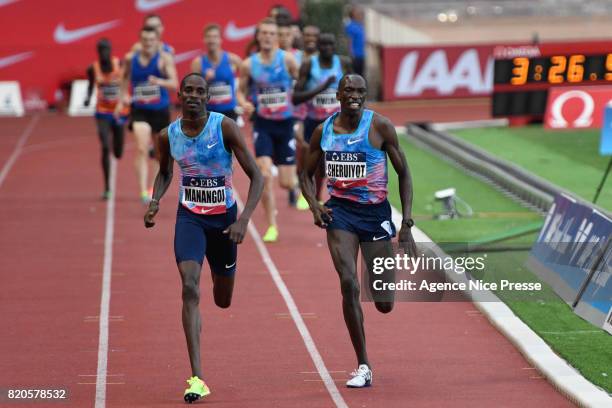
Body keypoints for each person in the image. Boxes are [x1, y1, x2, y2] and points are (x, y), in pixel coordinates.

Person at [143, 73, 263, 403]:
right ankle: (197, 377)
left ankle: (220, 274)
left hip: (224, 222)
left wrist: (244, 220)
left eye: (200, 91)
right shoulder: (167, 135)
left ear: (208, 97)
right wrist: (155, 201)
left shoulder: (224, 127)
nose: (194, 96)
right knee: (189, 286)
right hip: (190, 219)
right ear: (179, 94)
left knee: (223, 299)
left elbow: (257, 175)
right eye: (189, 90)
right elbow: (166, 171)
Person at [299, 74, 417, 388]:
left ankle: (381, 291)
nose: (354, 95)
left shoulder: (380, 127)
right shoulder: (322, 131)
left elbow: (404, 174)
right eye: (348, 90)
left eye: (360, 91)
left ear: (365, 95)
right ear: (337, 94)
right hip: (340, 214)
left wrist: (405, 223)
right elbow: (306, 174)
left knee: (384, 303)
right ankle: (363, 364)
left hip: (376, 215)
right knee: (349, 283)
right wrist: (314, 205)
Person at [237, 18, 300, 242]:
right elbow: (240, 91)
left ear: (277, 36)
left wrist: (298, 105)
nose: (267, 37)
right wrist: (244, 102)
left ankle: (298, 184)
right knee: (263, 175)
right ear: (258, 36)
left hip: (285, 125)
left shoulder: (288, 60)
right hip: (263, 125)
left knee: (286, 182)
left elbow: (301, 83)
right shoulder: (248, 64)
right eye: (263, 33)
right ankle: (272, 225)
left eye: (271, 33)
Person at [117, 25, 178, 203]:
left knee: (159, 153)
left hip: (160, 110)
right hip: (140, 110)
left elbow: (174, 83)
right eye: (145, 40)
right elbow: (124, 78)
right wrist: (123, 96)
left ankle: (153, 188)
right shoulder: (131, 59)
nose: (148, 44)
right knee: (142, 148)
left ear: (157, 41)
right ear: (140, 41)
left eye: (151, 40)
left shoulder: (164, 58)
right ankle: (143, 190)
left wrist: (159, 80)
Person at [293, 33, 352, 202]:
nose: (327, 48)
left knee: (331, 162)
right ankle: (312, 192)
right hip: (313, 121)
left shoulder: (342, 63)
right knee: (314, 162)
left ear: (335, 47)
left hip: (337, 122)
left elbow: (356, 89)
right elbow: (296, 97)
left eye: (330, 44)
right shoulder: (308, 65)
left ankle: (326, 194)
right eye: (323, 44)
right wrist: (322, 87)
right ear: (318, 47)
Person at [85, 38, 129, 200]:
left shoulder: (120, 64)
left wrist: (126, 97)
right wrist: (87, 98)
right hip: (102, 112)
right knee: (104, 146)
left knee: (117, 152)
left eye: (106, 49)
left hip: (119, 111)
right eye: (101, 50)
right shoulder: (93, 68)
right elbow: (90, 85)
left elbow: (126, 82)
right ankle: (107, 187)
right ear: (97, 52)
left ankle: (116, 148)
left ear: (111, 50)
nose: (104, 52)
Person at [278, 18, 309, 210]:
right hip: (280, 113)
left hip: (300, 110)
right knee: (289, 150)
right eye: (281, 35)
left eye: (288, 35)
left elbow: (306, 82)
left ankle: (299, 185)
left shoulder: (301, 57)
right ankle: (293, 186)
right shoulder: (270, 57)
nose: (285, 38)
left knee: (302, 146)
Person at [191, 23, 242, 120]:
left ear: (220, 39)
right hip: (207, 112)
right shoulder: (198, 63)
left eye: (215, 37)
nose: (211, 40)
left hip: (229, 112)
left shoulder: (233, 59)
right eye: (208, 37)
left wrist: (239, 96)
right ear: (204, 40)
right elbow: (193, 91)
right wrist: (204, 80)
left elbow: (246, 80)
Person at [345, 5, 365, 76]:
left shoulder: (360, 25)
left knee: (361, 74)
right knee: (356, 75)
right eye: (357, 13)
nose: (360, 14)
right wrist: (351, 54)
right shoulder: (350, 26)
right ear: (353, 14)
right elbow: (349, 40)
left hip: (362, 54)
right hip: (355, 56)